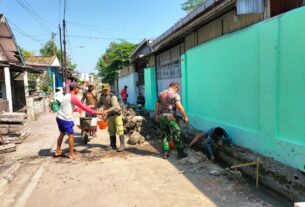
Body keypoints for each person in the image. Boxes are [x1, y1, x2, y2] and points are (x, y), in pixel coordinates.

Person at [55, 82, 102, 159]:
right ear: (74, 89)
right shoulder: (73, 97)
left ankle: (57, 151)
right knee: (71, 135)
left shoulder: (67, 95)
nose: (79, 90)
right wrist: (96, 112)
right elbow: (82, 106)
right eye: (78, 88)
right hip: (66, 119)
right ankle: (71, 154)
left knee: (62, 133)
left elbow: (73, 107)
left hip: (59, 117)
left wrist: (80, 108)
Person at [155, 82, 189, 159]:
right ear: (175, 87)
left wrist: (157, 115)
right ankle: (180, 153)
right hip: (171, 117)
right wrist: (185, 117)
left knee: (165, 134)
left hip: (162, 117)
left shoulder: (161, 93)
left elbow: (157, 105)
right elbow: (179, 107)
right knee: (177, 133)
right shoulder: (175, 94)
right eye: (178, 89)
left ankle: (165, 153)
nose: (178, 91)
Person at [97, 86, 126, 152]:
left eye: (107, 90)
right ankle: (113, 145)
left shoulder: (113, 97)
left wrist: (106, 111)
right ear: (102, 90)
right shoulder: (102, 97)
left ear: (109, 90)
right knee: (111, 130)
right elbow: (102, 105)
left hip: (117, 114)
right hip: (110, 115)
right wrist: (100, 110)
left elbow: (114, 107)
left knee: (120, 129)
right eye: (104, 90)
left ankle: (122, 145)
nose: (105, 91)